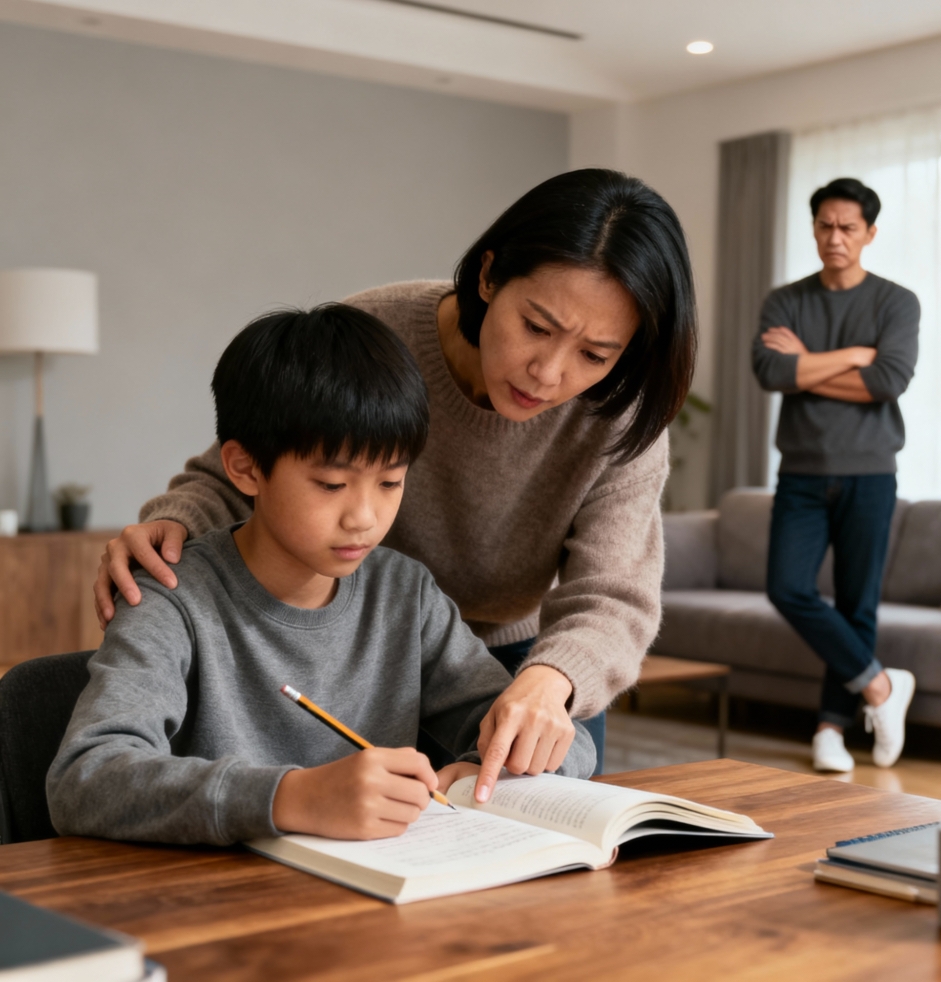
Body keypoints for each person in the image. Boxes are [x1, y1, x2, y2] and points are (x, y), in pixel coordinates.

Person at [92, 169, 698, 796]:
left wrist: (553, 680)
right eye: (536, 327)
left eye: (595, 355)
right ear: (489, 276)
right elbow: (254, 460)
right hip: (368, 634)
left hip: (515, 658)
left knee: (525, 801)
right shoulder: (380, 335)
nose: (547, 372)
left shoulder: (622, 414)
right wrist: (173, 529)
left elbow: (615, 594)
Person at [47, 304, 596, 845]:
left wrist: (489, 766)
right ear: (245, 467)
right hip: (221, 894)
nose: (364, 517)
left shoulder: (404, 596)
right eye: (332, 485)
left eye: (390, 483)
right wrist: (292, 798)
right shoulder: (172, 595)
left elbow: (566, 742)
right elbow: (84, 777)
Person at [752, 177, 920, 774]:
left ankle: (831, 729)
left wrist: (806, 365)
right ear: (814, 228)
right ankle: (881, 686)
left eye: (848, 227)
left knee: (856, 603)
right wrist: (850, 356)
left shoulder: (896, 302)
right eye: (825, 225)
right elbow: (771, 372)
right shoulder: (785, 300)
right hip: (801, 471)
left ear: (869, 233)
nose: (835, 237)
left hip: (870, 472)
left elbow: (889, 381)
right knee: (787, 587)